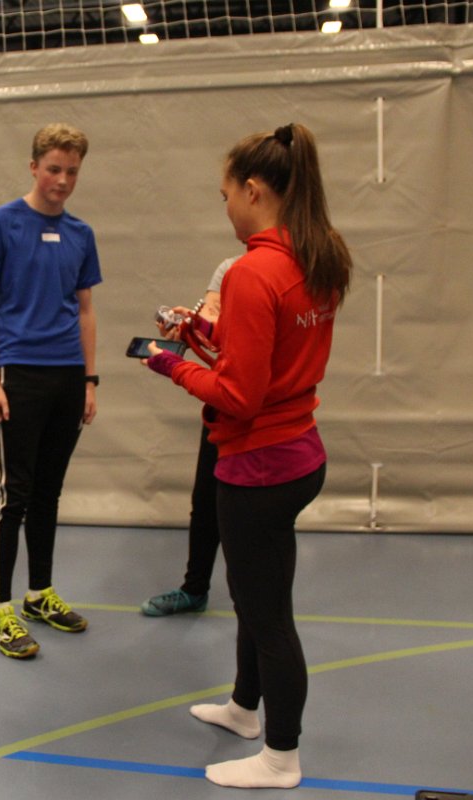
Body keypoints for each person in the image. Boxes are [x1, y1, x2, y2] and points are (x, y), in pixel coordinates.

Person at [141, 122, 351, 788]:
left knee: (266, 614)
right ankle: (242, 707)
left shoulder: (255, 272)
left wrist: (170, 363)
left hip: (260, 464)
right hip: (298, 450)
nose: (225, 206)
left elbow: (238, 394)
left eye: (226, 193)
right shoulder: (316, 257)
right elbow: (266, 355)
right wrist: (202, 334)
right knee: (255, 591)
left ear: (254, 191)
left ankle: (280, 757)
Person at [0, 123, 101, 659]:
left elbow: (85, 310)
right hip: (18, 376)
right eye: (53, 169)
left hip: (67, 376)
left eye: (71, 171)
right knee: (12, 496)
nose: (62, 180)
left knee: (49, 492)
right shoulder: (0, 224)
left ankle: (39, 594)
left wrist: (89, 380)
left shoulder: (81, 234)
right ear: (33, 167)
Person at [139, 256, 236, 617]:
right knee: (206, 501)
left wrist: (175, 364)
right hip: (222, 408)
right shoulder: (230, 268)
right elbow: (216, 332)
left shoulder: (274, 273)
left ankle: (256, 603)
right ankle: (195, 589)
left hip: (254, 415)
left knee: (246, 514)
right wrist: (192, 329)